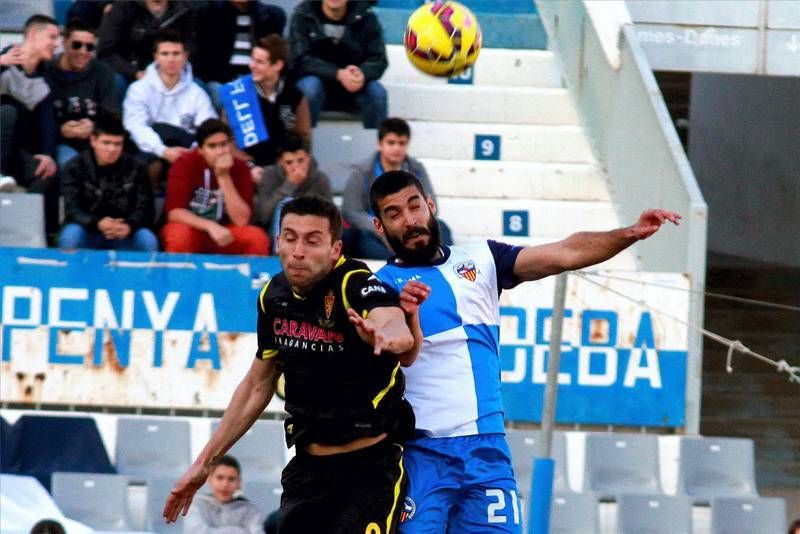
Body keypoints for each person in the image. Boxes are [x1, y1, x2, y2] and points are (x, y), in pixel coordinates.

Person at [369, 170, 682, 533]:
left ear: (431, 205)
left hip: (486, 452)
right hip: (420, 453)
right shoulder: (377, 289)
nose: (410, 220)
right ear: (379, 226)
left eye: (415, 206)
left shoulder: (482, 258)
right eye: (394, 214)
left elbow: (564, 252)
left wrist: (628, 234)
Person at [163, 195, 430, 533]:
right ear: (278, 242)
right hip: (307, 471)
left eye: (312, 241)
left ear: (335, 250)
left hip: (368, 472)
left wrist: (387, 336)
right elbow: (257, 385)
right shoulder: (273, 297)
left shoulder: (354, 283)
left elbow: (394, 324)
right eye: (290, 238)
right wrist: (203, 464)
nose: (298, 251)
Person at [343, 117, 452, 260]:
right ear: (379, 144)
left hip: (412, 226)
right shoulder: (361, 171)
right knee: (361, 239)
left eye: (402, 143)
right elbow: (352, 211)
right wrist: (381, 230)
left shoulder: (417, 169)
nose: (397, 148)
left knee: (441, 227)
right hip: (374, 232)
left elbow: (431, 205)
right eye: (391, 143)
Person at [123, 29, 217, 191]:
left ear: (185, 56)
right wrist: (163, 151)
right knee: (150, 165)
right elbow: (136, 127)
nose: (171, 59)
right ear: (156, 56)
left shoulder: (197, 93)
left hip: (186, 151)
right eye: (165, 54)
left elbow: (208, 129)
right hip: (151, 150)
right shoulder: (138, 89)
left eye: (176, 53)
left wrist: (190, 153)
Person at [161, 118, 268, 256]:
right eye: (212, 146)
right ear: (200, 150)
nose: (220, 152)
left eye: (224, 144)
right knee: (179, 235)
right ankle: (180, 277)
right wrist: (210, 226)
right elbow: (175, 213)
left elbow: (241, 220)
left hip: (226, 232)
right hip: (193, 228)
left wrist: (224, 177)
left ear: (231, 144)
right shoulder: (184, 164)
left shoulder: (241, 168)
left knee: (256, 238)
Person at [58, 112, 157, 252]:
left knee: (147, 240)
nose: (112, 149)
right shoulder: (74, 167)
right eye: (106, 143)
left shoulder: (137, 167)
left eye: (118, 144)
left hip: (126, 230)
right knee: (70, 236)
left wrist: (129, 225)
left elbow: (145, 208)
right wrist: (98, 223)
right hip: (88, 229)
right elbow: (72, 209)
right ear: (93, 140)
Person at [220, 34, 311, 182]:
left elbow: (304, 138)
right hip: (245, 169)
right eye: (252, 60)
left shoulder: (295, 96)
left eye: (260, 62)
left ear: (278, 65)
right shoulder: (237, 94)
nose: (252, 65)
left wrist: (284, 164)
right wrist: (250, 166)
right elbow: (227, 141)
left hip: (285, 168)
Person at [0, 14, 61, 233]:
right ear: (33, 35)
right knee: (6, 111)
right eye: (52, 37)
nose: (56, 44)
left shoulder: (45, 81)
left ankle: (44, 236)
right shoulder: (3, 61)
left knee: (46, 173)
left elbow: (48, 124)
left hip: (16, 153)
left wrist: (47, 153)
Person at [290, 0, 388, 128]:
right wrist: (338, 74)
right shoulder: (303, 14)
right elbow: (301, 59)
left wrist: (361, 73)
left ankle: (379, 145)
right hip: (318, 82)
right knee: (309, 89)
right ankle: (303, 145)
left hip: (355, 86)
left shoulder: (366, 16)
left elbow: (379, 58)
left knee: (378, 93)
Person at [45, 18, 120, 167]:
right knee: (69, 163)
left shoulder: (103, 73)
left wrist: (94, 126)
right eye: (77, 45)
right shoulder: (47, 69)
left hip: (94, 141)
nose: (83, 52)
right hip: (57, 142)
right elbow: (36, 118)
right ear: (64, 42)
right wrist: (60, 130)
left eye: (89, 47)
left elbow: (112, 116)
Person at [194, 0, 287, 108]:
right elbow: (205, 60)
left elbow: (276, 57)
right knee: (221, 96)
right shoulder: (209, 14)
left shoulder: (270, 16)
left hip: (257, 78)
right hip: (221, 79)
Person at [253, 133, 332, 248]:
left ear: (308, 158)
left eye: (300, 161)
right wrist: (290, 185)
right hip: (276, 231)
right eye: (289, 162)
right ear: (280, 162)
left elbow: (330, 217)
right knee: (284, 204)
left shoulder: (320, 178)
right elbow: (262, 217)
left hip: (312, 230)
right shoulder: (270, 175)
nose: (296, 167)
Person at [97, 0, 195, 91]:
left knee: (200, 86)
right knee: (115, 82)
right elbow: (106, 52)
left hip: (172, 72)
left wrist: (171, 72)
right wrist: (135, 73)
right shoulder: (122, 8)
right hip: (129, 71)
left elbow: (190, 49)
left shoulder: (184, 9)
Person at [184, 455, 265, 534]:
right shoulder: (196, 505)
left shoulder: (250, 511)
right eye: (220, 478)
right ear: (209, 479)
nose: (225, 484)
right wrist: (241, 531)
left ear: (239, 483)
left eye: (231, 479)